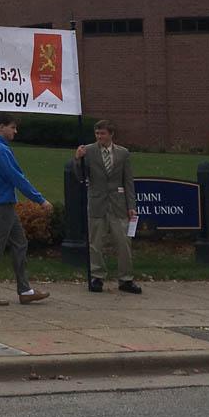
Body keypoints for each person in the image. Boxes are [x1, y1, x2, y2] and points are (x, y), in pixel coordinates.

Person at [0, 114, 51, 306]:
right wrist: (39, 199)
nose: (15, 131)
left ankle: (25, 290)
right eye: (13, 127)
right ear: (1, 127)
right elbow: (16, 177)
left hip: (1, 204)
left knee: (20, 243)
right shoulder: (0, 150)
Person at [73, 120, 141, 294]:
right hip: (97, 203)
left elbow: (128, 181)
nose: (99, 137)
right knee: (96, 242)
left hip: (118, 204)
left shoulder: (123, 153)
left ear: (111, 134)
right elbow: (80, 176)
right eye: (97, 134)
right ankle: (97, 276)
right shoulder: (88, 151)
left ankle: (126, 279)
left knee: (123, 242)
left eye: (102, 133)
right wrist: (77, 159)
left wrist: (131, 205)